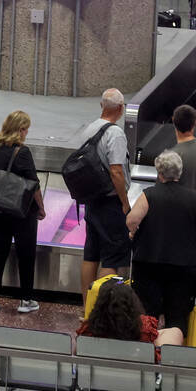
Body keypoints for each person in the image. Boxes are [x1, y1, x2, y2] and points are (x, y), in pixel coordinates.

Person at [126, 150, 196, 333]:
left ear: (159, 173)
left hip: (149, 263)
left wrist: (134, 233)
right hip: (183, 265)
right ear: (180, 173)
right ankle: (172, 352)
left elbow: (131, 220)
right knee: (177, 316)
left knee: (147, 314)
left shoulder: (149, 195)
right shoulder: (192, 197)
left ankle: (147, 351)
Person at [0, 110, 44, 313]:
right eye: (26, 129)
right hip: (22, 212)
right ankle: (25, 300)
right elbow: (34, 184)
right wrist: (41, 208)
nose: (27, 133)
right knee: (25, 253)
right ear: (20, 130)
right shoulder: (23, 152)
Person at [80, 88, 133, 304]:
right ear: (120, 109)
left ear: (102, 106)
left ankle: (86, 307)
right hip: (111, 203)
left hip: (92, 200)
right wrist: (125, 202)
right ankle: (100, 309)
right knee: (112, 257)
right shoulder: (115, 133)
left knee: (91, 254)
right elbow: (116, 171)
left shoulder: (88, 129)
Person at [78, 278, 185, 357]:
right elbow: (175, 335)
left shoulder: (87, 331)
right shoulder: (145, 330)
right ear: (134, 304)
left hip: (95, 384)